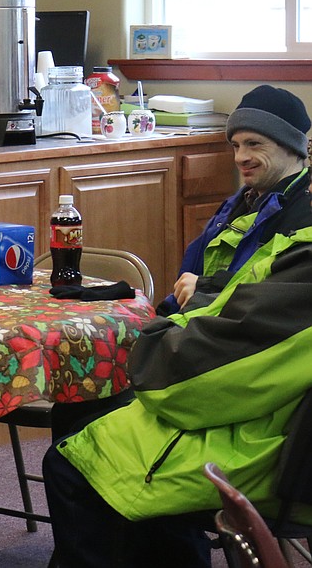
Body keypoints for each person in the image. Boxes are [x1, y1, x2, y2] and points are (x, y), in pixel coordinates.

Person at [42, 205, 312, 567]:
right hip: (278, 430)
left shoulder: (303, 270)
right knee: (90, 419)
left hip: (272, 455)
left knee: (72, 460)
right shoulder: (290, 243)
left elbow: (184, 386)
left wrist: (157, 336)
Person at [159, 84, 310, 314]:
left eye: (254, 144)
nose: (240, 158)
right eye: (236, 146)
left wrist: (206, 289)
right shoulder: (237, 205)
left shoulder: (304, 211)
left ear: (290, 146)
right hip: (203, 324)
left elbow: (282, 296)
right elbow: (187, 283)